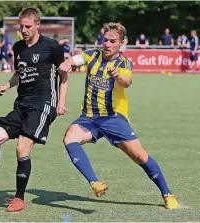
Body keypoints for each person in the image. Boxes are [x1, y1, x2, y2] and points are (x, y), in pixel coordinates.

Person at [59, 22, 178, 209]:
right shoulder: (92, 54)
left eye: (112, 41)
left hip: (113, 118)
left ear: (121, 43)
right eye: (105, 39)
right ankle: (95, 182)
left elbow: (127, 81)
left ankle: (167, 194)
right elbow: (73, 61)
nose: (107, 44)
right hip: (88, 118)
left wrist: (117, 76)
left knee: (140, 156)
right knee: (69, 138)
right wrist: (66, 64)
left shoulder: (123, 62)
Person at [0, 7, 68, 212]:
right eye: (21, 26)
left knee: (22, 148)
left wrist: (61, 102)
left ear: (38, 25)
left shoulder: (52, 47)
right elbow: (18, 73)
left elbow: (64, 76)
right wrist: (7, 85)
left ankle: (19, 198)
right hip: (21, 104)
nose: (23, 30)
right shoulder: (18, 47)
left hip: (43, 104)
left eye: (28, 26)